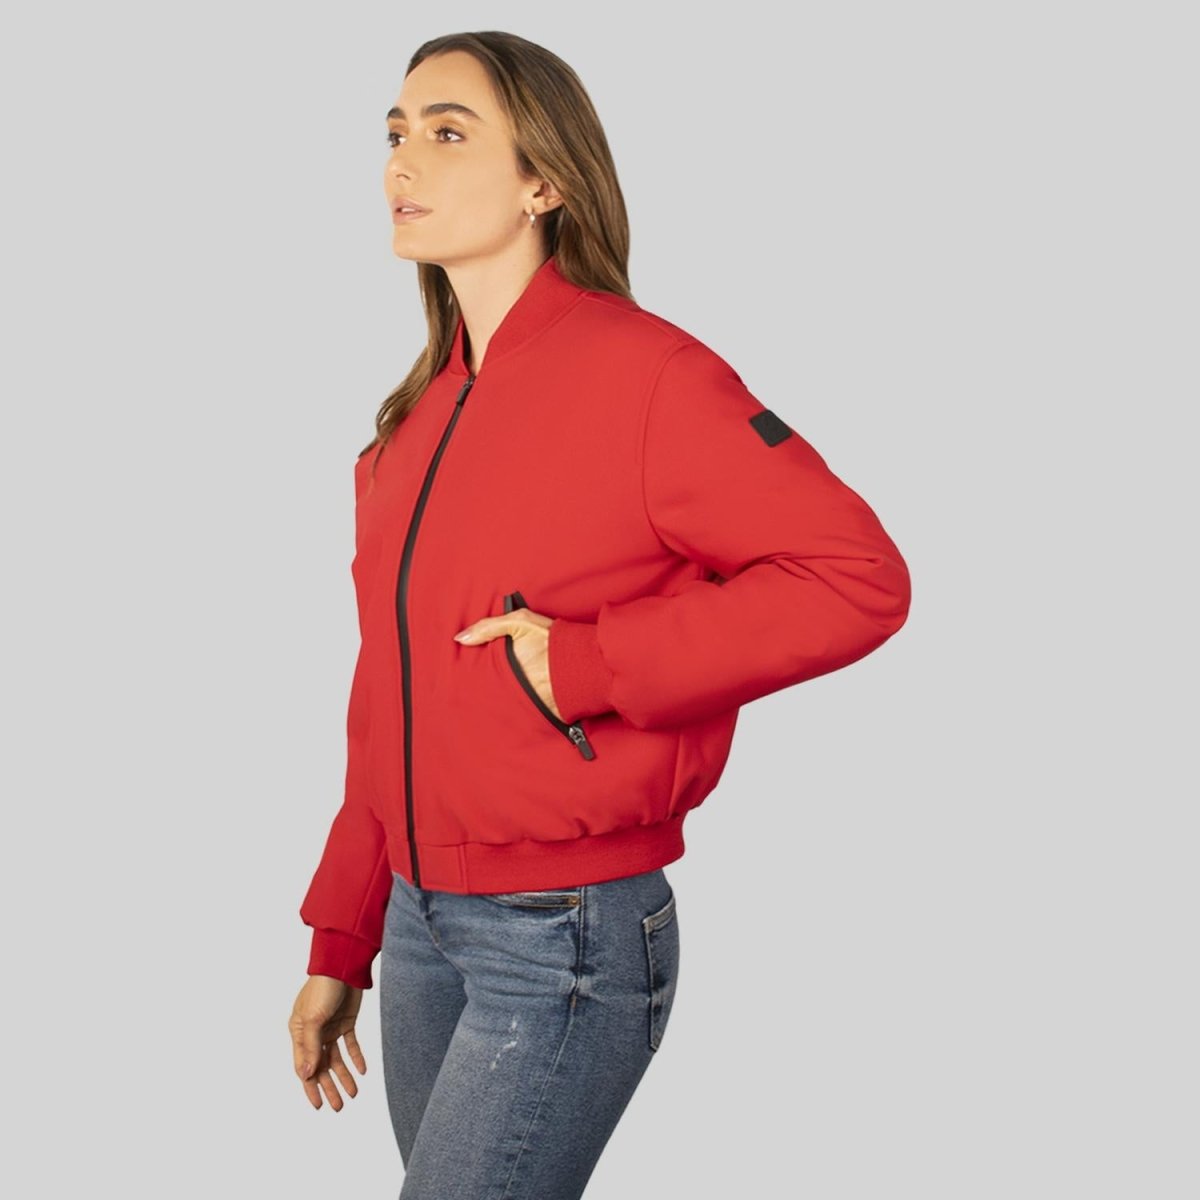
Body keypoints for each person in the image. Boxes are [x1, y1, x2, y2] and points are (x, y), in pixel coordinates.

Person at [287, 29, 911, 1200]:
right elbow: (389, 701)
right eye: (396, 131)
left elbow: (855, 576)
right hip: (419, 928)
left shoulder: (649, 378)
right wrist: (344, 935)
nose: (402, 160)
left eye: (448, 132)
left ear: (544, 181)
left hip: (560, 933)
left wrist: (588, 666)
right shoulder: (408, 428)